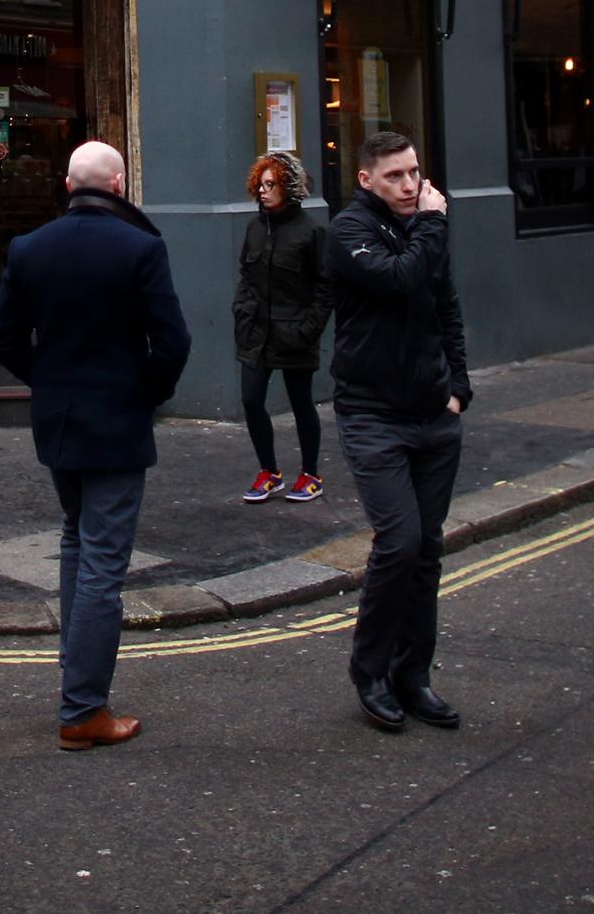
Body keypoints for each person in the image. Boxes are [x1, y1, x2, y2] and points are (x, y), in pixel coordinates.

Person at [0, 140, 192, 751]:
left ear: (66, 183)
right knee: (103, 562)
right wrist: (143, 395)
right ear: (121, 185)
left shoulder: (30, 248)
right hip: (116, 424)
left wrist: (49, 384)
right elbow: (174, 343)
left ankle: (76, 676)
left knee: (78, 542)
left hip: (58, 423)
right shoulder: (141, 247)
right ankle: (82, 711)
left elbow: (4, 340)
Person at [328, 130, 471, 735]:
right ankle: (371, 672)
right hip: (373, 415)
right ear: (366, 180)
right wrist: (432, 226)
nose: (411, 185)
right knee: (401, 541)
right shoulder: (347, 232)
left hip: (433, 414)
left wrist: (459, 387)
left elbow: (443, 305)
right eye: (395, 176)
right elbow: (399, 280)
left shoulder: (423, 227)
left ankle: (414, 677)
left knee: (428, 550)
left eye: (415, 173)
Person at [232, 151, 330, 502]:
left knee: (301, 403)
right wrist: (242, 309)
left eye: (270, 184)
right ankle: (269, 472)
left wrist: (308, 330)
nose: (263, 191)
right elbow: (246, 273)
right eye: (260, 184)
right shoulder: (254, 228)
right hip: (256, 332)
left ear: (288, 187)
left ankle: (310, 474)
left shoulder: (311, 231)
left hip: (295, 334)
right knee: (251, 399)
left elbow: (324, 287)